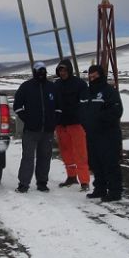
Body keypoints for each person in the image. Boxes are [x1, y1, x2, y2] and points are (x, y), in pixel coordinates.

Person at [80, 64, 124, 202]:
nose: (92, 79)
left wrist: (99, 119)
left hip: (108, 134)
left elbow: (116, 110)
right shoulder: (86, 92)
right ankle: (100, 188)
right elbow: (81, 109)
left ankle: (115, 191)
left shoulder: (109, 91)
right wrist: (85, 121)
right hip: (92, 135)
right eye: (90, 76)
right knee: (95, 163)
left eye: (95, 76)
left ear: (101, 76)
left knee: (110, 163)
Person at [13, 61, 58, 193]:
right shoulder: (26, 87)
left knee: (45, 157)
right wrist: (27, 118)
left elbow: (59, 107)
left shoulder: (52, 87)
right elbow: (17, 106)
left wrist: (54, 121)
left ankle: (42, 182)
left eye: (43, 71)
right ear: (34, 72)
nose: (41, 73)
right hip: (31, 131)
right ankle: (23, 184)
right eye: (39, 71)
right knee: (28, 157)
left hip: (47, 130)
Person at [53, 59, 91, 191]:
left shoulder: (79, 84)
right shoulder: (56, 84)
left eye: (64, 70)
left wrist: (81, 117)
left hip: (76, 124)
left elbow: (85, 103)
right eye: (60, 70)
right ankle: (71, 176)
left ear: (69, 70)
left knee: (80, 153)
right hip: (61, 124)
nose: (62, 72)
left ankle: (84, 181)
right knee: (66, 152)